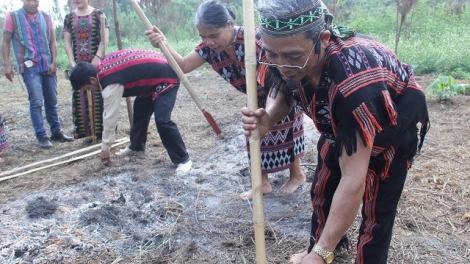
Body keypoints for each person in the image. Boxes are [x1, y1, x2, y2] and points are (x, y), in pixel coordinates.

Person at [241, 0, 430, 263]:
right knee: (322, 190)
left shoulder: (354, 85)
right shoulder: (284, 50)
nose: (282, 65)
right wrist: (269, 117)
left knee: (377, 213)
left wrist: (318, 255)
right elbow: (285, 86)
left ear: (324, 39)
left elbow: (353, 180)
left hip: (391, 123)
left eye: (293, 57)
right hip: (339, 126)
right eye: (272, 55)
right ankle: (327, 248)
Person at [146, 0, 307, 200]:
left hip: (282, 89)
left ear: (229, 25)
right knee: (254, 134)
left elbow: (281, 80)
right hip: (254, 96)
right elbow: (184, 65)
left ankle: (297, 175)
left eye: (214, 35)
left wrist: (271, 109)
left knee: (287, 129)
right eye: (203, 36)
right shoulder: (208, 49)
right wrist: (164, 43)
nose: (209, 41)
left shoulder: (254, 40)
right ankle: (262, 182)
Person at [68, 49, 192, 176]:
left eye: (88, 88)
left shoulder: (110, 82)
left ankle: (183, 160)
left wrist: (105, 148)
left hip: (167, 76)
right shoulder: (102, 65)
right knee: (140, 111)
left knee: (162, 120)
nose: (91, 91)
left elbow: (110, 118)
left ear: (92, 79)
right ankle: (136, 146)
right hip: (152, 78)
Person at [2, 0, 74, 149]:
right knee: (36, 101)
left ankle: (56, 131)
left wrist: (54, 62)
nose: (33, 3)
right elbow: (6, 42)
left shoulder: (46, 17)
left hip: (47, 64)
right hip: (29, 66)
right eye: (29, 0)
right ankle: (42, 135)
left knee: (52, 99)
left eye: (35, 0)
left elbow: (52, 42)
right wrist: (7, 65)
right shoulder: (12, 17)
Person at [64, 0, 108, 142]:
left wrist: (97, 58)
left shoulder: (99, 14)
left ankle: (102, 133)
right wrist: (73, 63)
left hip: (97, 63)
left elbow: (104, 39)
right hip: (78, 65)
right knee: (80, 96)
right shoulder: (69, 17)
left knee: (99, 96)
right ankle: (87, 134)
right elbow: (67, 42)